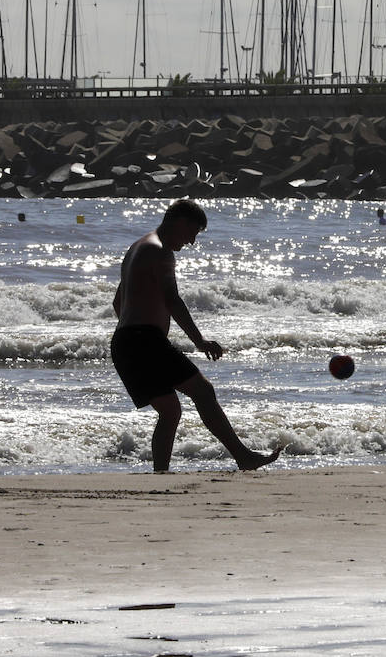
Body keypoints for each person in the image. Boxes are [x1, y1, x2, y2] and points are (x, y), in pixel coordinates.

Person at [111, 199, 281, 472]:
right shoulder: (161, 252)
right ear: (181, 222)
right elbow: (172, 300)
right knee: (203, 391)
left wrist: (138, 330)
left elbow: (118, 302)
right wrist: (198, 341)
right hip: (144, 341)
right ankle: (243, 456)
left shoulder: (137, 248)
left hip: (124, 343)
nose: (191, 242)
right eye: (192, 233)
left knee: (170, 411)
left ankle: (161, 473)